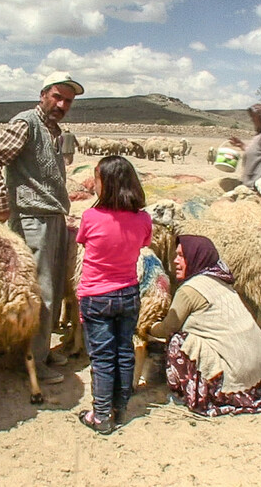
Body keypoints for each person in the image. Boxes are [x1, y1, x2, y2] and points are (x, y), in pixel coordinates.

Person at [0, 71, 84, 385]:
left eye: (68, 100)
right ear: (43, 94)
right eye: (57, 96)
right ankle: (32, 363)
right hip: (31, 218)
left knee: (51, 287)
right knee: (43, 292)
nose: (62, 104)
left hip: (51, 216)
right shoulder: (26, 124)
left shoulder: (54, 130)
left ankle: (40, 351)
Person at [149, 235, 261, 417]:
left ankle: (196, 393)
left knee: (177, 341)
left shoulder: (189, 290)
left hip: (234, 376)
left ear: (195, 257)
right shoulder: (219, 279)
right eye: (176, 255)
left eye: (182, 256)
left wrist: (148, 327)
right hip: (254, 373)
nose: (175, 261)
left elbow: (168, 327)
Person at [76, 155, 152, 435]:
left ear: (106, 184)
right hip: (129, 293)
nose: (93, 185)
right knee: (124, 352)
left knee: (102, 358)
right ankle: (120, 408)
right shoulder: (143, 219)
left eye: (96, 179)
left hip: (96, 296)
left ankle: (101, 415)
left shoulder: (90, 217)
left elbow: (83, 241)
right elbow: (144, 242)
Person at [228, 102, 261, 190]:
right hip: (250, 184)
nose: (252, 119)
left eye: (254, 116)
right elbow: (257, 153)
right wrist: (242, 145)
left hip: (259, 187)